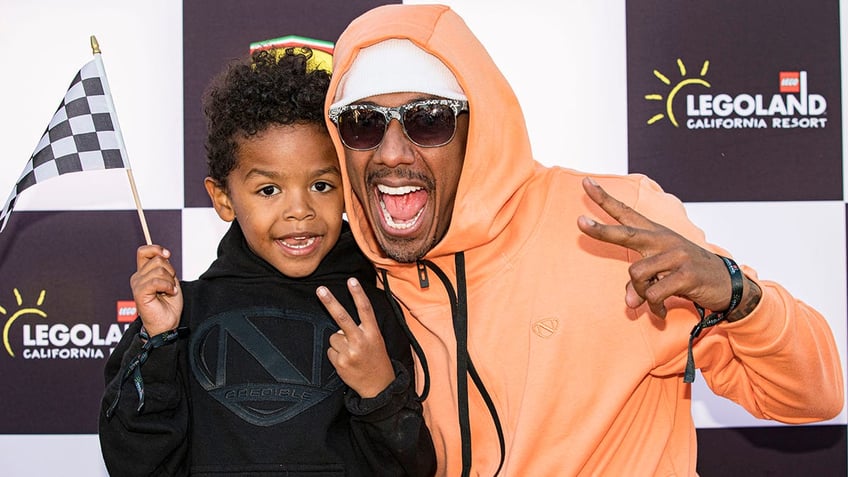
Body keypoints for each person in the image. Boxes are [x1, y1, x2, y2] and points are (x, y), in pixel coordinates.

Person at [314, 4, 845, 476]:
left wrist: (737, 296)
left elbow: (813, 398)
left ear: (480, 128)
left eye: (428, 121)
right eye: (361, 124)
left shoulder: (614, 227)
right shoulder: (351, 278)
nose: (390, 153)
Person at [98, 45, 436, 476]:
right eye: (269, 190)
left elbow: (412, 469)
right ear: (223, 198)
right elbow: (135, 463)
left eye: (321, 185)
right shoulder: (179, 314)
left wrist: (379, 393)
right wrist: (157, 342)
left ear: (348, 188)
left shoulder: (373, 310)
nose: (300, 210)